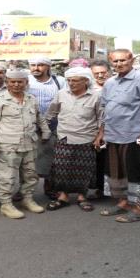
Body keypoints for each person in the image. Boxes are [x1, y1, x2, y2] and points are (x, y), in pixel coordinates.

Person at [94, 49, 140, 223]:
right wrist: (101, 133)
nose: (118, 64)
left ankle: (139, 208)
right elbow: (106, 109)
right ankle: (124, 202)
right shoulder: (110, 82)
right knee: (116, 171)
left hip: (133, 135)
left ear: (131, 60)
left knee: (136, 172)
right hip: (112, 135)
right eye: (115, 61)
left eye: (122, 60)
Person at [0, 69, 51, 219]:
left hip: (29, 144)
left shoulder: (31, 99)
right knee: (6, 176)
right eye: (12, 82)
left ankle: (27, 199)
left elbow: (39, 117)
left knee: (30, 174)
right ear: (7, 83)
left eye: (20, 82)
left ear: (26, 83)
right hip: (8, 145)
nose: (16, 85)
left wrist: (46, 131)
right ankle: (6, 205)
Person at [44, 67, 102, 212]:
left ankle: (82, 197)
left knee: (84, 170)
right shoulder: (61, 94)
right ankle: (63, 197)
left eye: (75, 81)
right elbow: (51, 113)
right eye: (69, 80)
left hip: (87, 138)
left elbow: (102, 118)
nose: (71, 83)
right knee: (61, 169)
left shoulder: (96, 96)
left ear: (86, 81)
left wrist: (100, 137)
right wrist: (46, 132)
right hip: (64, 137)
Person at [27, 57, 66, 198]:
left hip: (53, 125)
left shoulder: (59, 81)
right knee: (27, 159)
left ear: (48, 67)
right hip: (29, 126)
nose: (36, 68)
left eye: (40, 65)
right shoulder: (25, 80)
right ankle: (25, 190)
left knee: (52, 157)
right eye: (33, 64)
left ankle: (50, 187)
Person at [89, 60, 112, 198]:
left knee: (113, 161)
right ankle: (100, 189)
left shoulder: (116, 85)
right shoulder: (89, 89)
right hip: (94, 130)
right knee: (98, 161)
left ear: (109, 72)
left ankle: (116, 191)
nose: (100, 76)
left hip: (116, 130)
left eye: (103, 73)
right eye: (96, 73)